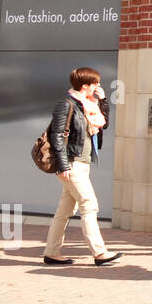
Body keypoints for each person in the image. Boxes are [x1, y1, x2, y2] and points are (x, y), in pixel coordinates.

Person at [43, 67, 122, 266]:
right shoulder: (67, 105)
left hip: (83, 163)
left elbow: (103, 126)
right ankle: (100, 253)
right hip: (71, 163)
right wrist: (63, 166)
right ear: (84, 86)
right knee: (89, 204)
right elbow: (57, 136)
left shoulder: (89, 105)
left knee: (64, 210)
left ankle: (51, 252)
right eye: (95, 83)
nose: (98, 86)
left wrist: (103, 102)